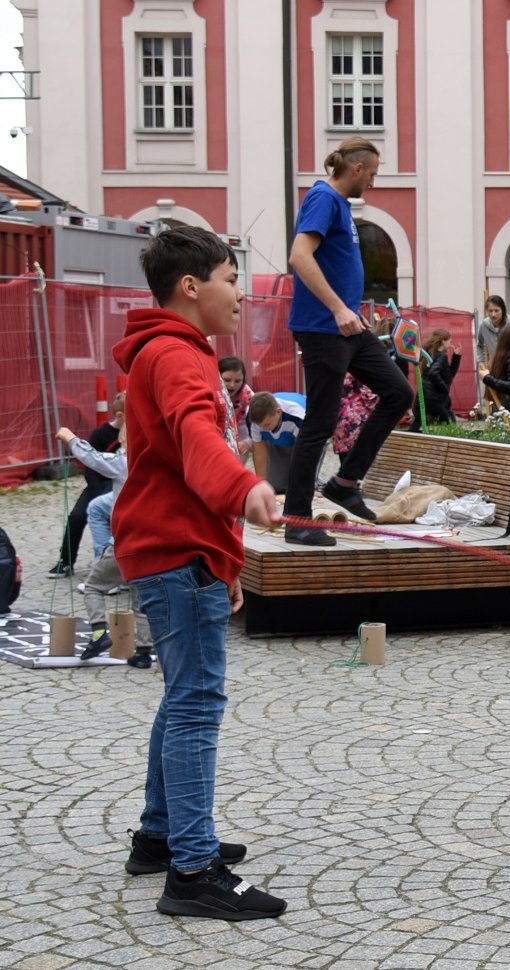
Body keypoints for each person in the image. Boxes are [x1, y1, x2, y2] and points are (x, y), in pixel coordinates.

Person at [111, 225, 286, 920]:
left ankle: (159, 836)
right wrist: (244, 490)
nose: (239, 293)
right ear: (192, 287)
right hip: (173, 550)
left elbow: (185, 454)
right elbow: (198, 441)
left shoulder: (168, 351)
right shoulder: (177, 357)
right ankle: (190, 869)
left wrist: (224, 555)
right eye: (230, 278)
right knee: (196, 703)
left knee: (181, 694)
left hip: (182, 551)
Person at [282, 136, 414, 546]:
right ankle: (298, 521)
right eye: (372, 173)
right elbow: (299, 256)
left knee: (398, 393)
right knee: (319, 424)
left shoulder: (338, 205)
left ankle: (344, 482)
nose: (373, 181)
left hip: (347, 327)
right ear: (356, 169)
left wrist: (350, 311)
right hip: (324, 328)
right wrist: (339, 308)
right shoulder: (322, 198)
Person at [47, 401, 124, 577]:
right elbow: (91, 467)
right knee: (77, 516)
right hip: (99, 483)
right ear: (120, 415)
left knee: (111, 515)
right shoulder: (100, 434)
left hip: (119, 481)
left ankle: (109, 565)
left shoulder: (136, 433)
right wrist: (97, 494)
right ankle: (65, 561)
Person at [245, 391, 306, 493]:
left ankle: (315, 482)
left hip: (306, 443)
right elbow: (260, 453)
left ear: (278, 412)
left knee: (300, 486)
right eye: (260, 426)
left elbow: (302, 456)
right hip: (278, 441)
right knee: (274, 486)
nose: (262, 428)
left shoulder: (298, 417)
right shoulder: (253, 419)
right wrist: (261, 485)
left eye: (267, 424)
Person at [420, 328, 459, 425]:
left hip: (429, 396)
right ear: (443, 341)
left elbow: (448, 376)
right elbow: (433, 374)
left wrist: (456, 357)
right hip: (435, 398)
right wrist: (444, 388)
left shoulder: (432, 354)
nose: (451, 344)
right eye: (450, 341)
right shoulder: (441, 356)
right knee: (448, 424)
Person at [217, 357, 255, 459]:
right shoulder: (211, 392)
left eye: (238, 381)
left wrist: (247, 442)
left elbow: (257, 428)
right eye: (227, 380)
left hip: (239, 428)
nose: (232, 385)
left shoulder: (248, 397)